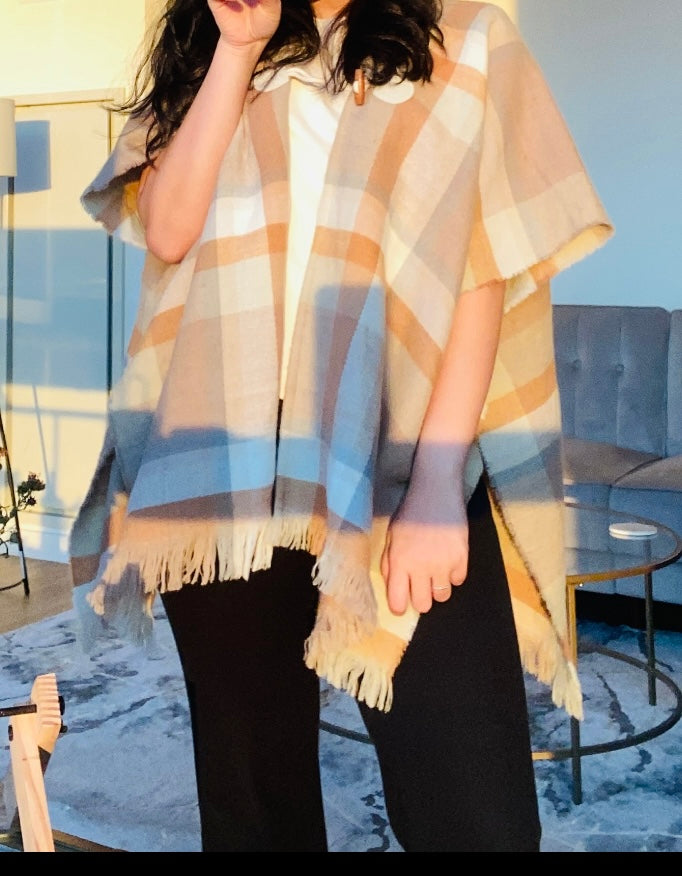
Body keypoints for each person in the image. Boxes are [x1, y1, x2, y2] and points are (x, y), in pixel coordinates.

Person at [70, 0, 613, 853]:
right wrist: (237, 49)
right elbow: (168, 230)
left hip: (393, 457)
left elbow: (483, 268)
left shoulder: (465, 39)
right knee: (254, 808)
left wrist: (437, 479)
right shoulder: (227, 43)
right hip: (225, 466)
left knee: (478, 813)